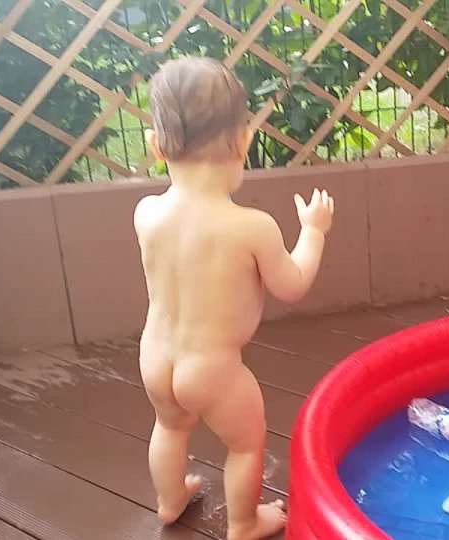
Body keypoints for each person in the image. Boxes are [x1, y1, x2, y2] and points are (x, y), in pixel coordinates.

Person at [134, 56, 335, 540]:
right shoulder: (251, 227)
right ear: (244, 141)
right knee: (245, 444)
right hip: (214, 369)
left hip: (155, 356)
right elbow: (292, 285)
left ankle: (169, 500)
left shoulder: (146, 212)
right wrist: (313, 232)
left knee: (169, 426)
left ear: (155, 146)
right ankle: (244, 523)